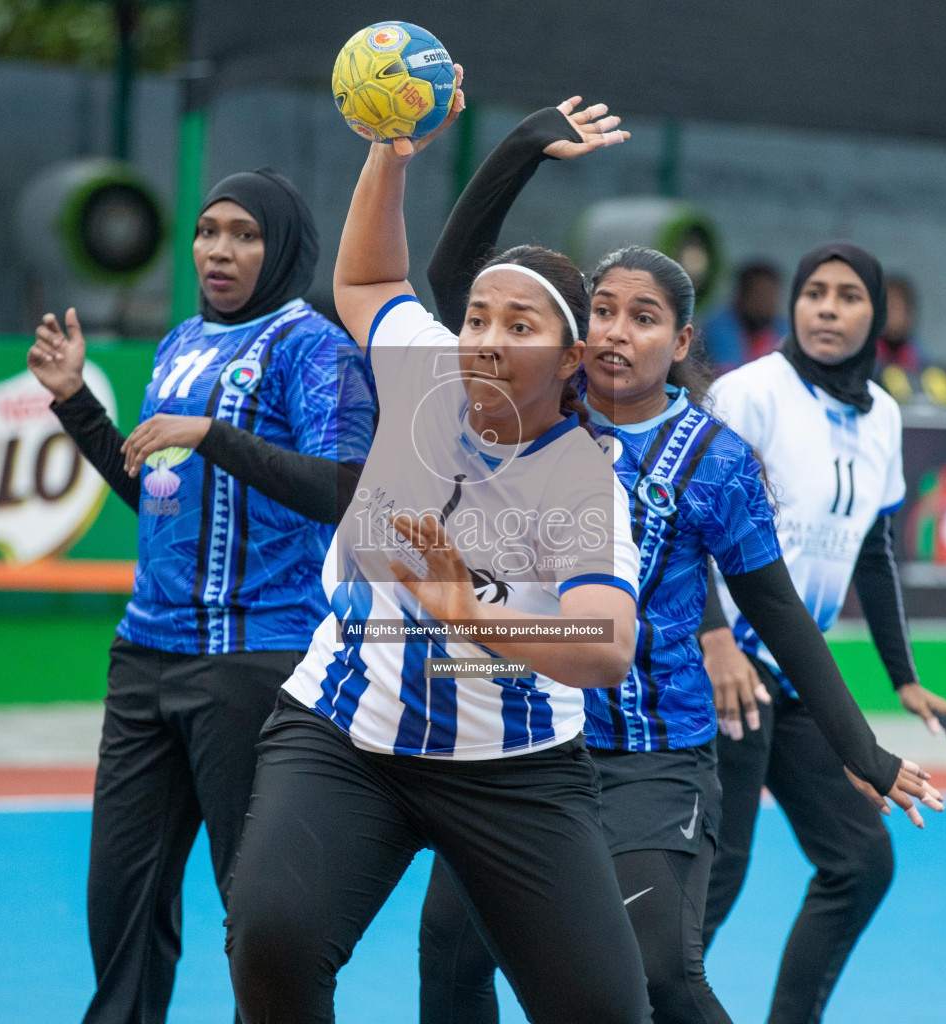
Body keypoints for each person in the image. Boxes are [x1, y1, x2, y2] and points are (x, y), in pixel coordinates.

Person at [416, 104, 944, 1024]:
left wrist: (865, 750)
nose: (619, 332)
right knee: (452, 956)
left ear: (682, 342)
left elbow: (777, 612)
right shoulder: (544, 410)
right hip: (523, 741)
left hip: (654, 759)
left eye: (645, 318)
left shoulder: (717, 457)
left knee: (657, 975)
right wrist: (525, 145)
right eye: (604, 314)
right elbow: (454, 274)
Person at [221, 72, 667, 1024]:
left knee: (606, 1012)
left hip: (515, 769)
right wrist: (390, 151)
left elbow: (607, 644)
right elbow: (371, 280)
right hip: (347, 736)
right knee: (272, 937)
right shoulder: (420, 367)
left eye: (520, 324)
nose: (485, 339)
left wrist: (479, 614)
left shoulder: (582, 479)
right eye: (476, 316)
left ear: (572, 358)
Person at [27, 167, 376, 1024]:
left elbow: (349, 486)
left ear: (284, 246)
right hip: (145, 654)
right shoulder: (180, 339)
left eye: (245, 234)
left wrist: (214, 435)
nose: (219, 249)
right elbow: (159, 490)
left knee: (256, 913)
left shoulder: (316, 348)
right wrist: (76, 405)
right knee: (121, 901)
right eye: (208, 230)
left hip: (254, 661)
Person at [698, 242, 946, 1024]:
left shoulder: (882, 413)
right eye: (815, 292)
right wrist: (713, 636)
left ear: (877, 313)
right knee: (712, 884)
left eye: (849, 295)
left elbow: (873, 546)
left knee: (860, 861)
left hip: (792, 677)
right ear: (794, 303)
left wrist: (904, 677)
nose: (828, 307)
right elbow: (677, 521)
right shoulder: (749, 393)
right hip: (720, 673)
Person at [697, 261, 787, 375]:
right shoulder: (718, 329)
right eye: (759, 295)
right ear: (741, 294)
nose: (765, 304)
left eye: (770, 295)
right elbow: (730, 376)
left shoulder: (782, 328)